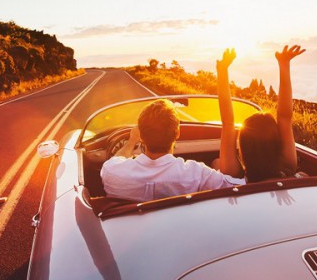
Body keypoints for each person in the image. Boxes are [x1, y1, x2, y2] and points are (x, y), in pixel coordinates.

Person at [100, 99, 245, 202]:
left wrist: (131, 142)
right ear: (177, 133)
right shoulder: (196, 174)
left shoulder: (111, 172)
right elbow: (240, 186)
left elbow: (115, 160)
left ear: (141, 136)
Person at [216, 45, 306, 182]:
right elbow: (284, 117)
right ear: (277, 143)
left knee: (215, 163)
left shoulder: (234, 175)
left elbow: (228, 123)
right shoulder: (287, 165)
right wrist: (284, 64)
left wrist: (222, 71)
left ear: (243, 148)